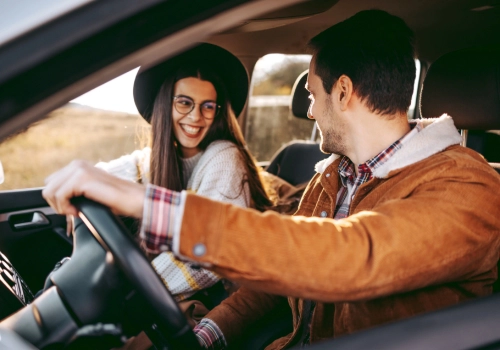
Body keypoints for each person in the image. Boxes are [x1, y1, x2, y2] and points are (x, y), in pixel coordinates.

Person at [43, 9, 500, 349]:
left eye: (312, 93)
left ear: (342, 91)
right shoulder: (335, 178)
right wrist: (206, 335)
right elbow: (278, 281)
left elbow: (345, 255)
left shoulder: (468, 188)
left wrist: (148, 204)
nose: (310, 110)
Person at [84, 43, 274, 308]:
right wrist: (82, 189)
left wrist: (131, 292)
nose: (196, 117)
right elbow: (104, 175)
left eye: (208, 106)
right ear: (165, 104)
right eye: (184, 102)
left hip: (230, 298)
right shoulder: (158, 159)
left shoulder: (224, 156)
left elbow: (209, 254)